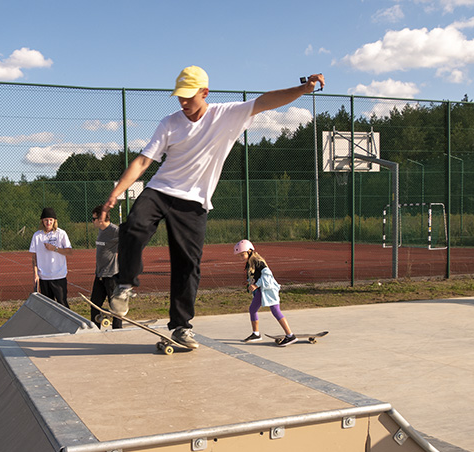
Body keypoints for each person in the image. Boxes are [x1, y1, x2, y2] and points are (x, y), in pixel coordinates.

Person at [102, 66, 324, 350]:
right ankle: (124, 285)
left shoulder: (227, 115)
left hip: (194, 201)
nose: (183, 102)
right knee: (134, 226)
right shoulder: (169, 123)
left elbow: (266, 101)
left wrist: (303, 89)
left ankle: (181, 327)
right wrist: (116, 193)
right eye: (179, 97)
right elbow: (143, 161)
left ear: (205, 93)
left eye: (188, 97)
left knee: (187, 265)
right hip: (160, 190)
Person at [234, 239, 296, 346]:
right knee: (252, 309)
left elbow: (267, 276)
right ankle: (256, 334)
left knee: (275, 311)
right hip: (261, 290)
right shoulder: (250, 262)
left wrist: (256, 285)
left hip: (269, 290)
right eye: (239, 255)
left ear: (249, 251)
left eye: (242, 255)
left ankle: (290, 335)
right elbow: (255, 275)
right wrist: (249, 281)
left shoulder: (258, 262)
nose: (241, 257)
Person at [29, 207, 72, 308]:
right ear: (42, 221)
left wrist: (54, 248)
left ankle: (64, 319)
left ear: (54, 221)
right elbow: (34, 257)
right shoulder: (37, 236)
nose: (48, 222)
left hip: (59, 276)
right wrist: (35, 274)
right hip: (44, 277)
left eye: (51, 220)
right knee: (48, 306)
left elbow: (69, 251)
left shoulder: (61, 233)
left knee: (62, 304)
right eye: (46, 220)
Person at [89, 205, 122, 329]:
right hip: (99, 274)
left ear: (101, 219)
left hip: (112, 275)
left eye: (94, 219)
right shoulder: (101, 230)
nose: (92, 221)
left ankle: (117, 330)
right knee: (94, 305)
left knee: (115, 306)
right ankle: (95, 328)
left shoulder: (114, 231)